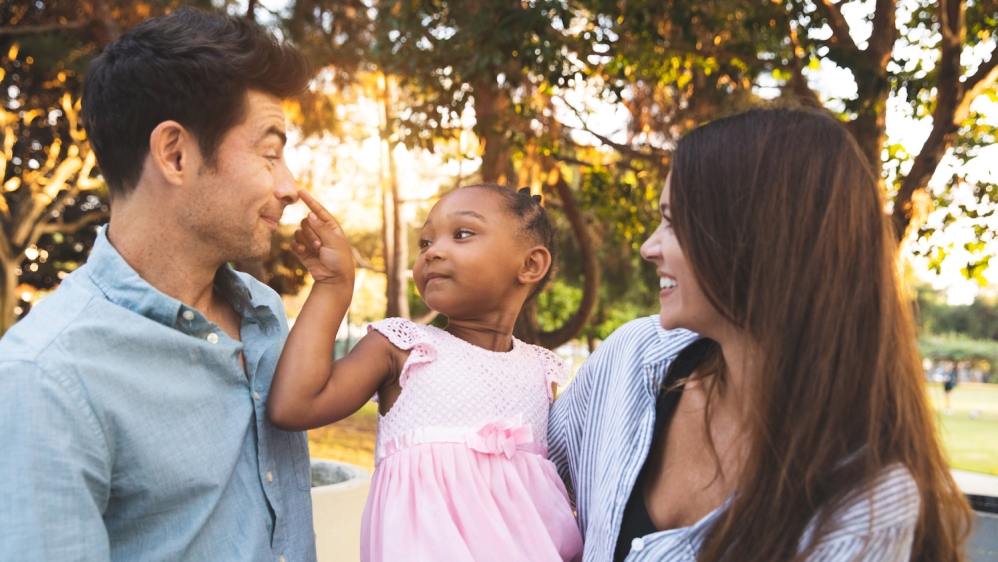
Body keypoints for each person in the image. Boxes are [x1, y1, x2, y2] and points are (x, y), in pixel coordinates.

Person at [548, 107, 973, 561]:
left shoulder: (863, 505)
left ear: (757, 239)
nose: (648, 247)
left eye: (673, 222)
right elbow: (516, 478)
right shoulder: (631, 359)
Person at [0, 9, 317, 561]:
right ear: (174, 154)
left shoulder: (263, 312)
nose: (290, 187)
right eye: (270, 152)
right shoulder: (45, 378)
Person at [267, 185, 584, 561]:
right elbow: (294, 406)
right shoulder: (402, 348)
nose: (432, 251)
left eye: (462, 234)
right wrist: (334, 286)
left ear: (530, 265)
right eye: (424, 243)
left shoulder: (540, 372)